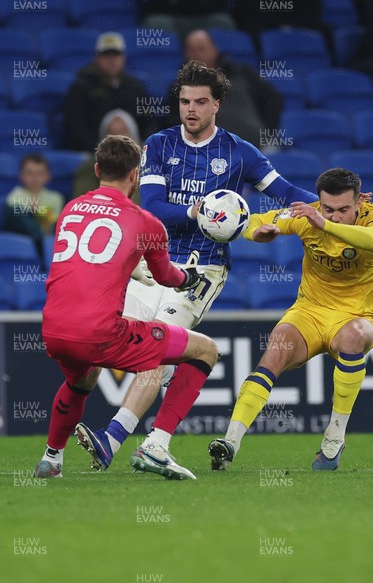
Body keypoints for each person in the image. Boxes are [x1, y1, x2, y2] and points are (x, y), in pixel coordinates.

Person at [73, 59, 324, 478]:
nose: (190, 109)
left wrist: (333, 209)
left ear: (217, 105)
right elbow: (151, 208)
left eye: (200, 102)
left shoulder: (240, 152)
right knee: (118, 342)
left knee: (159, 350)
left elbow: (285, 193)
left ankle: (117, 439)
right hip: (150, 264)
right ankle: (94, 446)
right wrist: (197, 210)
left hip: (202, 269)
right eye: (185, 101)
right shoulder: (160, 144)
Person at [33, 134, 219, 480]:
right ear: (135, 175)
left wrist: (128, 264)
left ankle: (51, 459)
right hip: (101, 333)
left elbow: (87, 263)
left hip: (54, 330)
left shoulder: (70, 209)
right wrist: (189, 279)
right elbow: (167, 277)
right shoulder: (146, 223)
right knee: (205, 350)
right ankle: (155, 445)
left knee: (82, 378)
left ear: (97, 169)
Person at [208, 168, 373, 472]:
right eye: (328, 209)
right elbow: (251, 221)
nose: (334, 216)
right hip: (309, 311)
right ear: (319, 201)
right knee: (274, 353)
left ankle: (334, 437)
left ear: (359, 203)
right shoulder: (308, 216)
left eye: (344, 210)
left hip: (355, 314)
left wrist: (324, 224)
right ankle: (230, 443)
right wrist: (257, 232)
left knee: (352, 337)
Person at [163, 30, 284, 149]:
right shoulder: (179, 87)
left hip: (258, 146)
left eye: (201, 49)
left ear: (215, 50)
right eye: (191, 50)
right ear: (185, 54)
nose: (196, 55)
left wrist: (265, 130)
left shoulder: (242, 72)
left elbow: (273, 100)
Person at [63, 32, 153, 152]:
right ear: (97, 58)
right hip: (94, 154)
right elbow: (76, 128)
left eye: (116, 55)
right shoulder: (81, 88)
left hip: (133, 151)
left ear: (123, 57)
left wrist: (143, 145)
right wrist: (99, 151)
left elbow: (150, 121)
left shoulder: (135, 87)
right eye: (106, 55)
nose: (112, 60)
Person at [72, 109, 141, 200]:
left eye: (123, 131)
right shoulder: (88, 169)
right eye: (112, 133)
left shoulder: (150, 165)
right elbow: (83, 200)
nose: (118, 138)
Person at [5, 154, 64, 258]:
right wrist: (34, 212)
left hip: (48, 235)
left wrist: (37, 211)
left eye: (39, 173)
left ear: (48, 176)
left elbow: (53, 225)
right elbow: (17, 221)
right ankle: (40, 241)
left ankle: (43, 243)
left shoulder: (56, 198)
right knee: (15, 210)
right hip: (24, 237)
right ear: (21, 176)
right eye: (29, 173)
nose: (35, 178)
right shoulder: (15, 195)